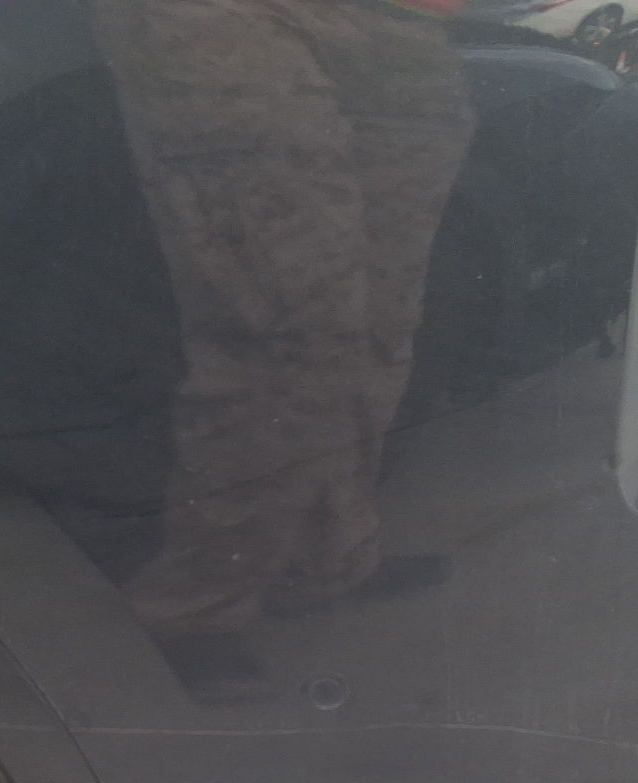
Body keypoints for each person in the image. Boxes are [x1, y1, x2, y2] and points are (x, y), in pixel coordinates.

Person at [92, 0, 474, 634]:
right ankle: (196, 604)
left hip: (403, 22)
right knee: (289, 328)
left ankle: (326, 557)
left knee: (381, 323)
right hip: (232, 18)